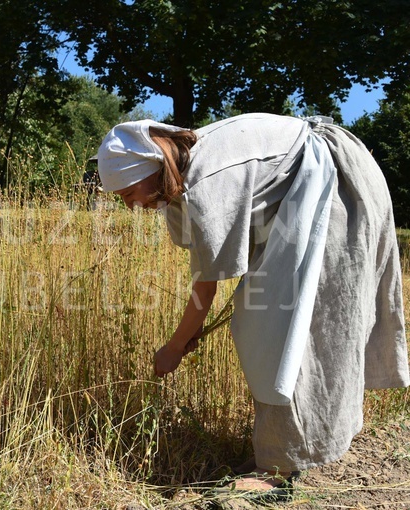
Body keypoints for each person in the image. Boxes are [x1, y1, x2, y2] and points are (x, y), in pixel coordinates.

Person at [96, 113, 409, 499]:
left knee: (279, 330)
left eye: (129, 195)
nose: (131, 207)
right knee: (265, 321)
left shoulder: (204, 183)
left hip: (333, 188)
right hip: (303, 195)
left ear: (149, 171)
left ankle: (279, 466)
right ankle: (278, 451)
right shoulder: (183, 175)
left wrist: (174, 347)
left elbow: (205, 287)